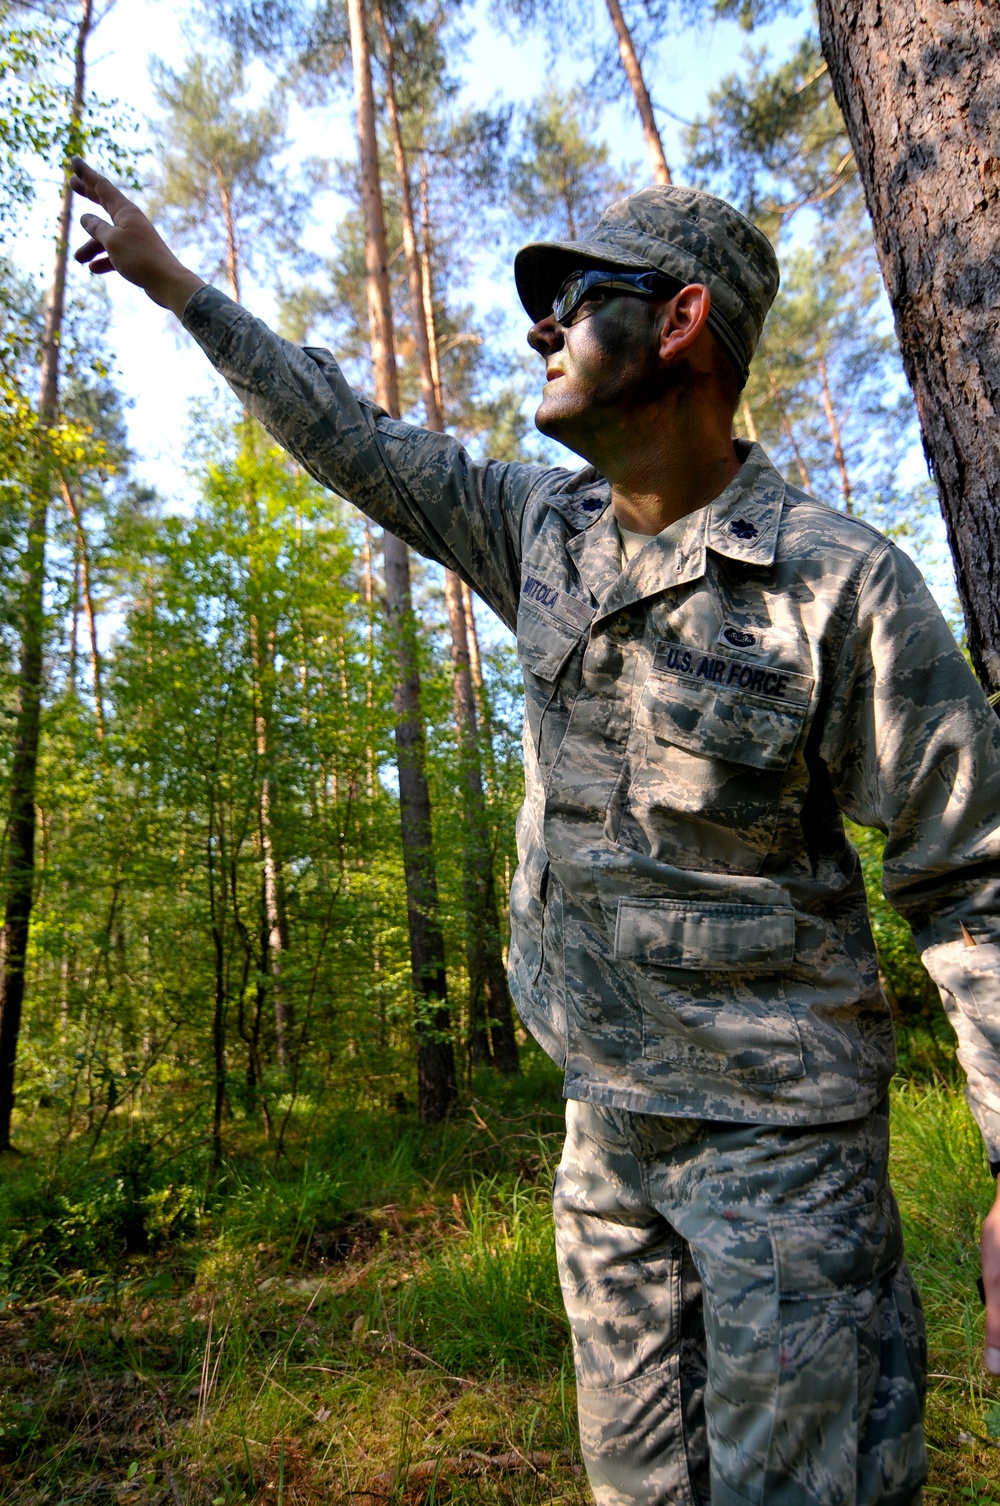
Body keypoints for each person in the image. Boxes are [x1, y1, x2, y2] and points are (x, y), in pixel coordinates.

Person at [70, 157, 1000, 1506]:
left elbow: (973, 876)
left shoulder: (838, 583)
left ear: (680, 323)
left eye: (570, 297)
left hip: (782, 1176)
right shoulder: (538, 530)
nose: (538, 327)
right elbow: (352, 436)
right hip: (604, 1154)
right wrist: (178, 287)